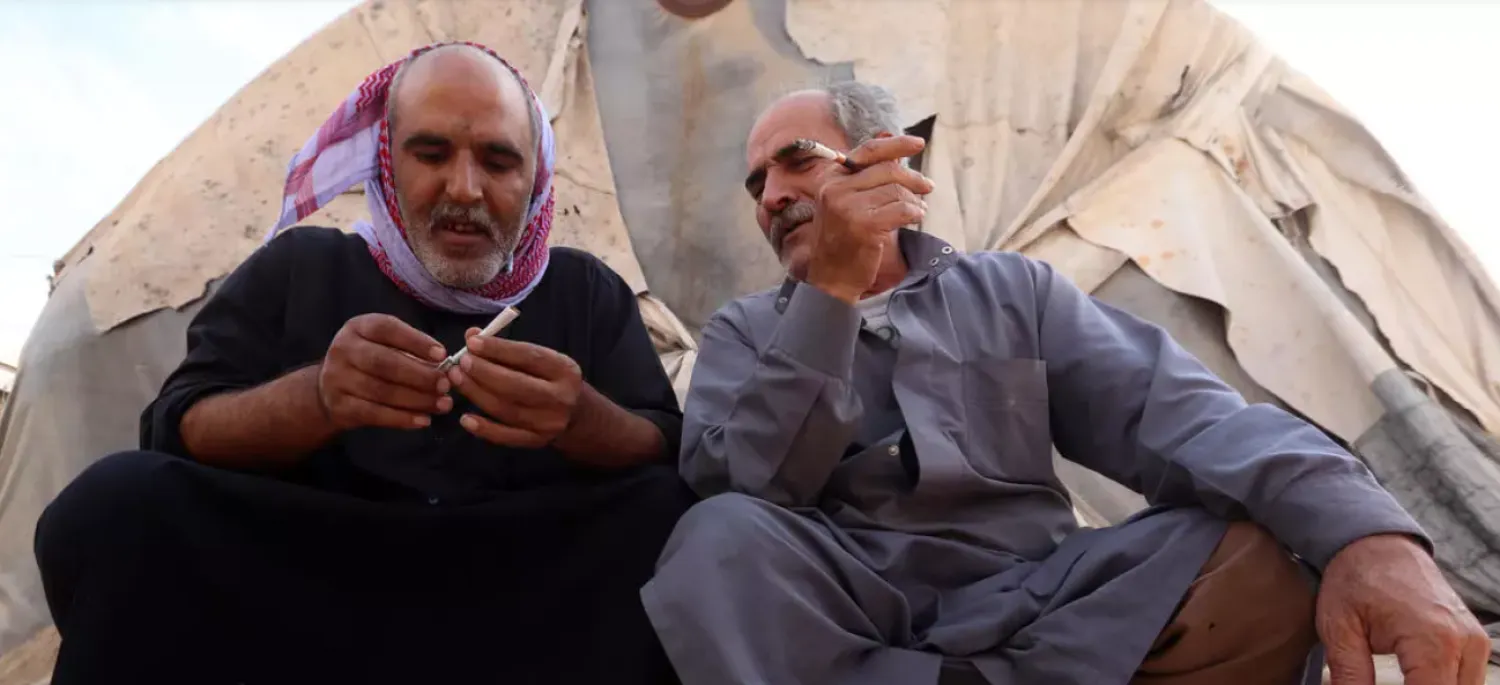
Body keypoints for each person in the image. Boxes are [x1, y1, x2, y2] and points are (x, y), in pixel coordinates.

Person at [642, 81, 1490, 685]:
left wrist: (1368, 535)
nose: (773, 196)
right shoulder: (744, 331)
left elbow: (1187, 419)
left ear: (886, 160)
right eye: (759, 184)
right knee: (718, 540)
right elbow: (751, 485)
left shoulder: (1012, 290)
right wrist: (826, 297)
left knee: (1247, 548)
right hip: (851, 622)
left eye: (795, 162)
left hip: (1044, 606)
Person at [34, 42, 694, 685]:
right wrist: (316, 399)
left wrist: (582, 420)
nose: (464, 188)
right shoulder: (301, 268)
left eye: (498, 161)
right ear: (386, 162)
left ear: (535, 176)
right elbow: (178, 428)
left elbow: (662, 445)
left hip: (518, 601)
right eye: (431, 153)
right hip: (307, 590)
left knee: (673, 515)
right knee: (120, 499)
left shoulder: (585, 291)